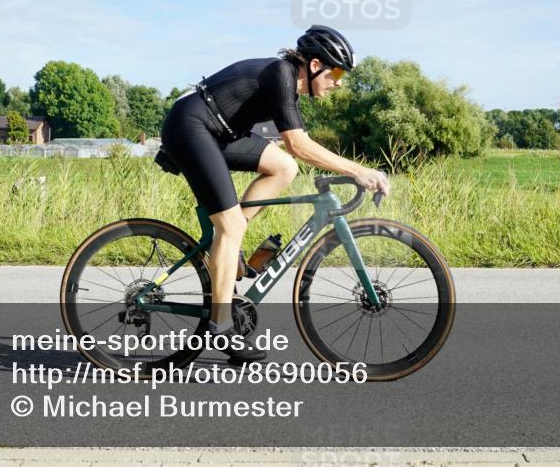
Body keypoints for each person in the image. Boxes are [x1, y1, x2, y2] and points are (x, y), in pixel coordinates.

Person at [158, 25, 390, 363]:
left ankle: (230, 247)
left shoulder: (288, 86)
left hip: (218, 131)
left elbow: (290, 149)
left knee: (283, 167)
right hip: (190, 127)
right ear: (314, 66)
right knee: (231, 225)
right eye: (336, 71)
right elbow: (298, 143)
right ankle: (220, 326)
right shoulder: (281, 72)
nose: (339, 81)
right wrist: (357, 170)